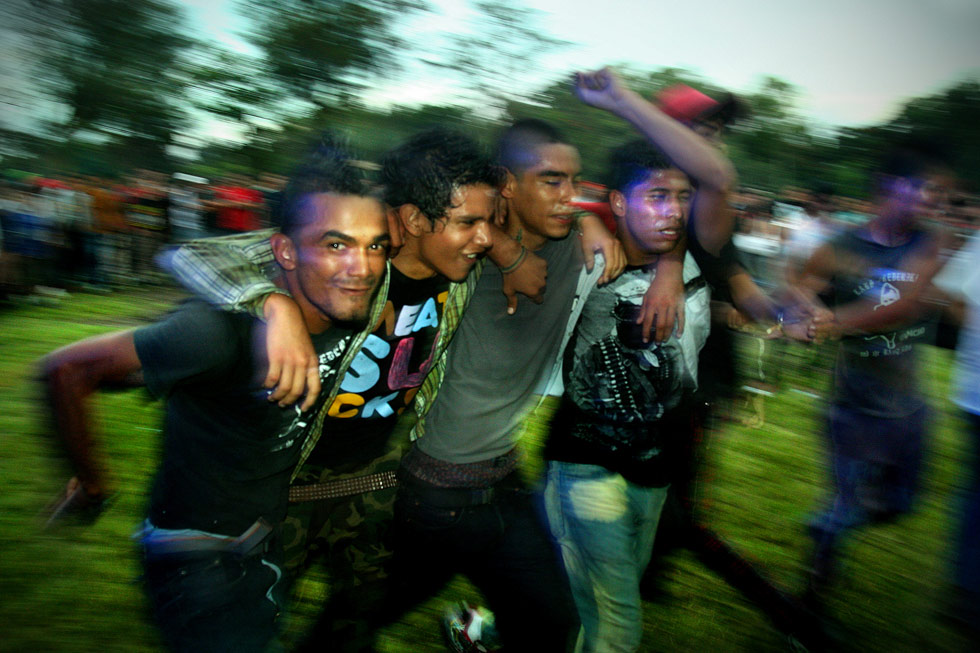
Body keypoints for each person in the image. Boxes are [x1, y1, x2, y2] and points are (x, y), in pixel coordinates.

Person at [164, 127, 605, 651]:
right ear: (415, 221)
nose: (485, 238)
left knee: (352, 628)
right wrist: (272, 305)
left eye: (487, 225)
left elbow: (514, 222)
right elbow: (193, 256)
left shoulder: (456, 270)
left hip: (371, 481)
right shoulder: (359, 259)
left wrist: (548, 236)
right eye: (470, 224)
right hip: (281, 484)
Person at [38, 135, 392, 652]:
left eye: (374, 245)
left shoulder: (355, 294)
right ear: (285, 250)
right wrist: (92, 485)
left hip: (264, 539)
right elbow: (66, 370)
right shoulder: (215, 331)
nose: (360, 267)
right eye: (335, 244)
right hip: (200, 560)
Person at [541, 68, 740, 652]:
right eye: (658, 197)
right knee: (617, 625)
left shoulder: (699, 236)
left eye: (681, 197)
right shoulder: (596, 244)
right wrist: (620, 100)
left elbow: (716, 181)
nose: (672, 209)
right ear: (623, 201)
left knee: (590, 600)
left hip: (655, 468)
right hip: (583, 463)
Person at [795, 143, 952, 610]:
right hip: (852, 407)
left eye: (935, 192)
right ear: (889, 187)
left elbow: (905, 304)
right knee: (843, 507)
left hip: (908, 409)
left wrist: (835, 322)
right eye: (922, 188)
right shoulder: (839, 245)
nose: (931, 199)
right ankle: (809, 606)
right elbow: (802, 289)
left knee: (902, 505)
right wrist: (806, 315)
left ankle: (828, 523)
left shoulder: (928, 241)